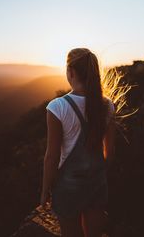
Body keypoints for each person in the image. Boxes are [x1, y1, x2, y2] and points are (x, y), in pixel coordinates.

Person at [40, 48, 115, 237]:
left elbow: (52, 156)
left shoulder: (58, 107)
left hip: (68, 185)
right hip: (97, 181)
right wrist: (97, 176)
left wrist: (45, 190)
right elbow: (110, 152)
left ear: (70, 72)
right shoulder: (107, 105)